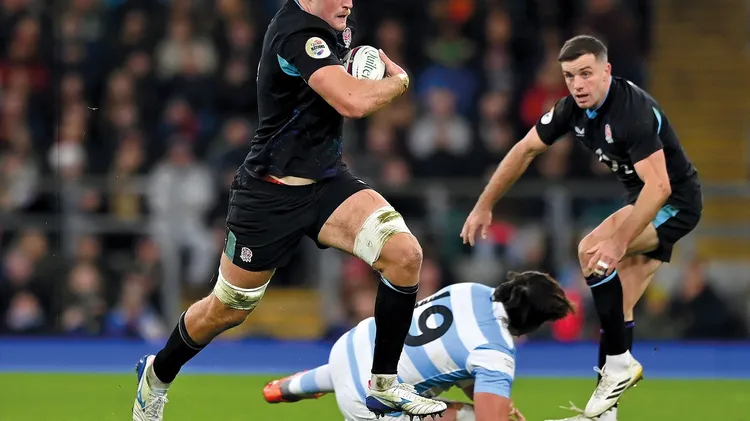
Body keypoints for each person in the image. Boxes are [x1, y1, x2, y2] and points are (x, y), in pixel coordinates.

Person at [132, 1, 448, 420]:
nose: (349, 2)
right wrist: (398, 82)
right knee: (227, 309)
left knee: (405, 255)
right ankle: (157, 374)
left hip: (327, 183)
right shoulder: (297, 35)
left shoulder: (336, 21)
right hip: (268, 193)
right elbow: (352, 103)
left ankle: (384, 384)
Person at [460, 35, 702, 421]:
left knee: (592, 249)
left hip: (674, 204)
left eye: (586, 74)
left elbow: (660, 188)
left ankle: (618, 365)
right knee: (618, 308)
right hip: (642, 200)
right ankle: (605, 413)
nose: (577, 84)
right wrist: (484, 204)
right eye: (570, 76)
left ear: (607, 71)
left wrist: (619, 243)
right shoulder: (571, 110)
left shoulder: (632, 113)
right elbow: (524, 149)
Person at [262, 271, 575, 421]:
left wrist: (497, 403)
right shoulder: (496, 352)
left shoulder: (470, 289)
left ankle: (288, 387)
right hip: (368, 402)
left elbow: (457, 357)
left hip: (354, 343)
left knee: (356, 369)